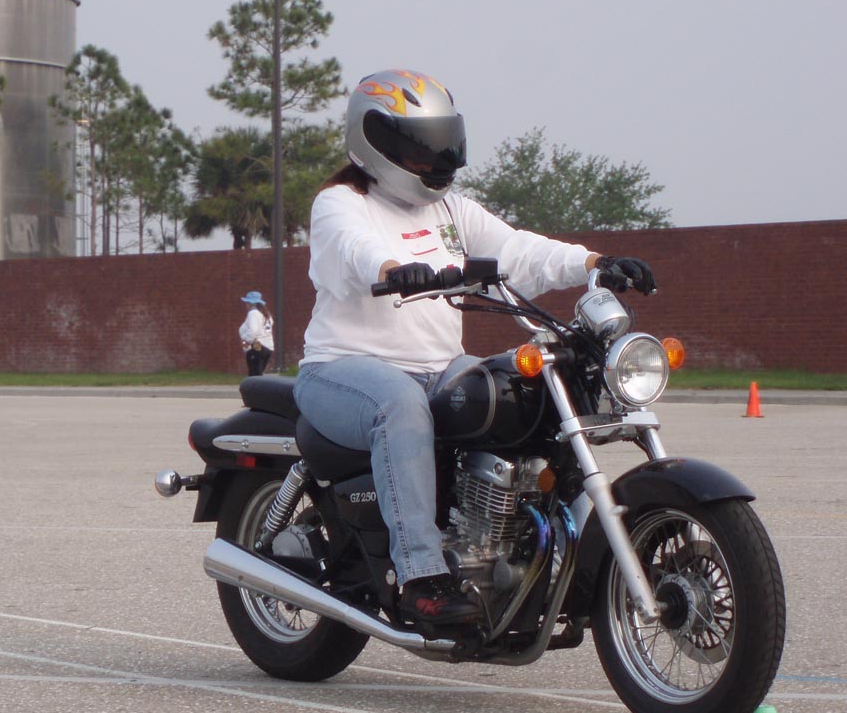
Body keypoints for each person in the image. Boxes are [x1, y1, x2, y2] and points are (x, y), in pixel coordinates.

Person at [292, 69, 655, 634]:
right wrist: (393, 269)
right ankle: (421, 579)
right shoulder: (341, 202)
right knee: (400, 406)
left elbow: (518, 250)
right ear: (375, 140)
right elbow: (351, 249)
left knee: (521, 390)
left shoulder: (453, 211)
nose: (435, 156)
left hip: (439, 369)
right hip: (341, 371)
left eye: (441, 140)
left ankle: (547, 553)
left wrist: (593, 263)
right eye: (419, 143)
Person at [238, 290, 275, 376]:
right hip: (268, 347)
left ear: (251, 303)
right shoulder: (266, 314)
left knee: (254, 375)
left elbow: (253, 331)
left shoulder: (253, 313)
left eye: (247, 302)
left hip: (257, 345)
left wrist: (245, 339)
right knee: (258, 374)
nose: (246, 305)